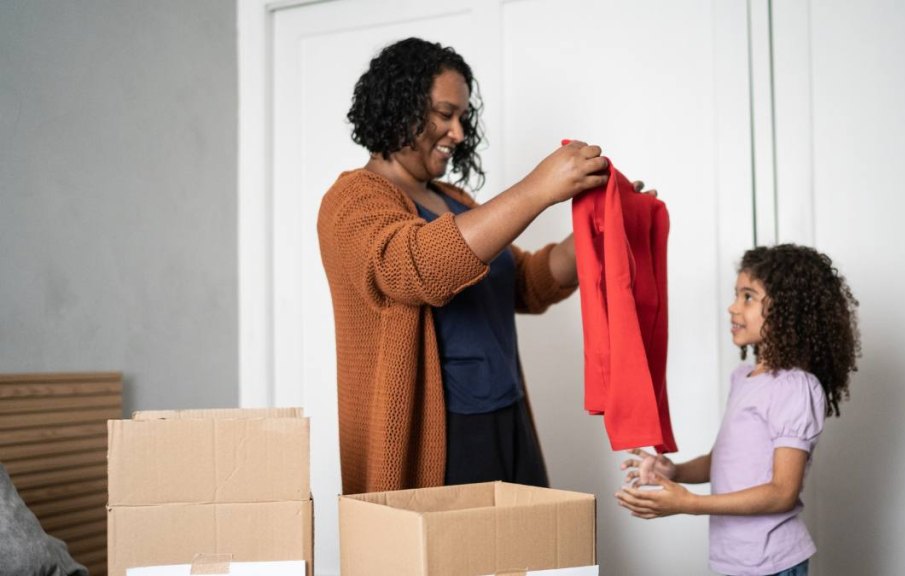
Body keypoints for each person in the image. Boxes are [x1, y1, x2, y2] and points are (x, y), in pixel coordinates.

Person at [318, 37, 649, 495]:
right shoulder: (353, 200)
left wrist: (598, 237)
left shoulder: (453, 201)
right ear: (399, 105)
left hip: (508, 416)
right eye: (444, 114)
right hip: (444, 436)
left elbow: (526, 284)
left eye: (462, 117)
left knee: (533, 562)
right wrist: (537, 189)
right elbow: (412, 267)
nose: (457, 132)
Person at [616, 244, 861, 576]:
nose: (732, 307)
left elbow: (781, 493)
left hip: (771, 563)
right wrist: (674, 472)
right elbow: (722, 461)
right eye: (736, 295)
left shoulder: (795, 388)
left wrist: (691, 504)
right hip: (734, 561)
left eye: (748, 297)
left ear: (789, 310)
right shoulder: (743, 378)